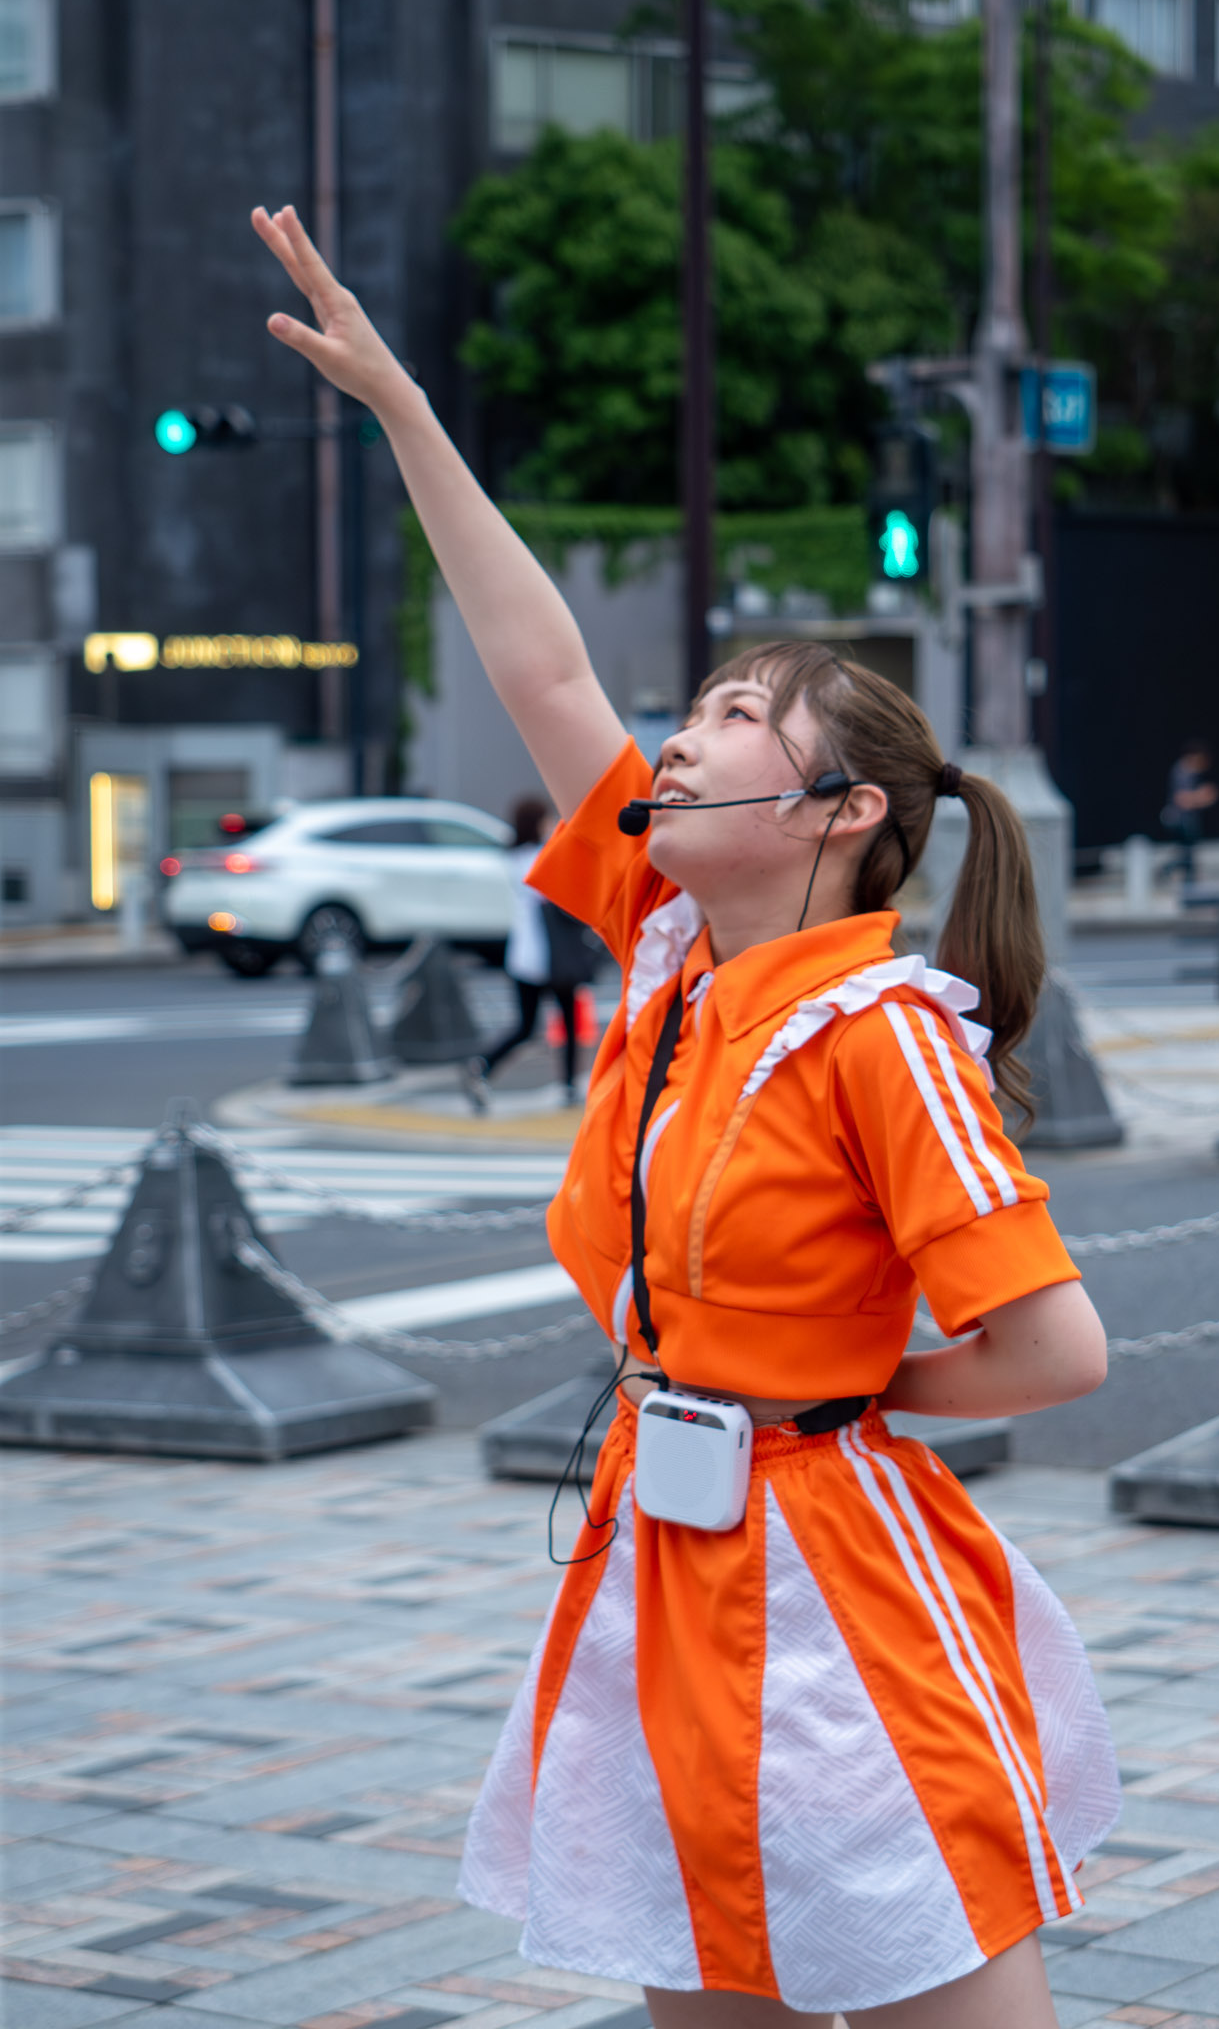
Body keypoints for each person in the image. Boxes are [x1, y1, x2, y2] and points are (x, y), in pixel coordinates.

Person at [253, 200, 1119, 2029]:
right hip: (666, 1546)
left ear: (833, 818)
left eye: (731, 715)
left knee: (925, 1970)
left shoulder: (883, 1029)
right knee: (697, 1975)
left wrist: (834, 1396)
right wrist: (403, 407)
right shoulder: (669, 948)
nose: (679, 731)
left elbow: (1056, 1347)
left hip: (832, 1571)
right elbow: (544, 670)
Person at [462, 796, 593, 1111]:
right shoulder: (541, 857)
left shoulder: (514, 858)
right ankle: (569, 1086)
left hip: (523, 955)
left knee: (526, 1025)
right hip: (552, 955)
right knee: (566, 1023)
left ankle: (482, 1066)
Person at [1159, 739, 1218, 885]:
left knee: (1188, 857)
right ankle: (1168, 873)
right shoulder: (1182, 772)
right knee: (1186, 857)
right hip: (1181, 821)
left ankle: (1187, 885)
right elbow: (1181, 800)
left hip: (1186, 820)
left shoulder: (1189, 772)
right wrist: (1202, 796)